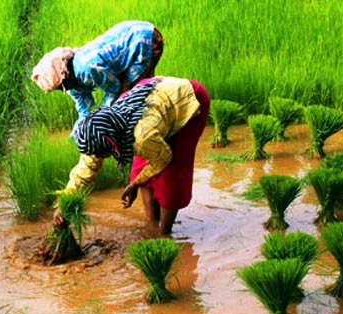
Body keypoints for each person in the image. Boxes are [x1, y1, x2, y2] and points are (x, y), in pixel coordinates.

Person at [53, 77, 210, 235]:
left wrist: (134, 184)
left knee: (172, 175)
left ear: (112, 145)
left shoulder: (142, 136)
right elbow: (86, 167)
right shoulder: (99, 131)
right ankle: (152, 223)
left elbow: (163, 158)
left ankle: (164, 234)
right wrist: (63, 203)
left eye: (100, 154)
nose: (98, 157)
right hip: (153, 101)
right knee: (140, 167)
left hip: (187, 100)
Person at [31, 21, 164, 135]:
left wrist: (104, 117)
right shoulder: (70, 78)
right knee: (129, 100)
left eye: (60, 87)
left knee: (133, 94)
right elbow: (82, 104)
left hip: (144, 40)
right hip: (134, 36)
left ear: (64, 76)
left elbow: (114, 89)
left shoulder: (87, 68)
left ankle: (156, 125)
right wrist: (80, 126)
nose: (63, 91)